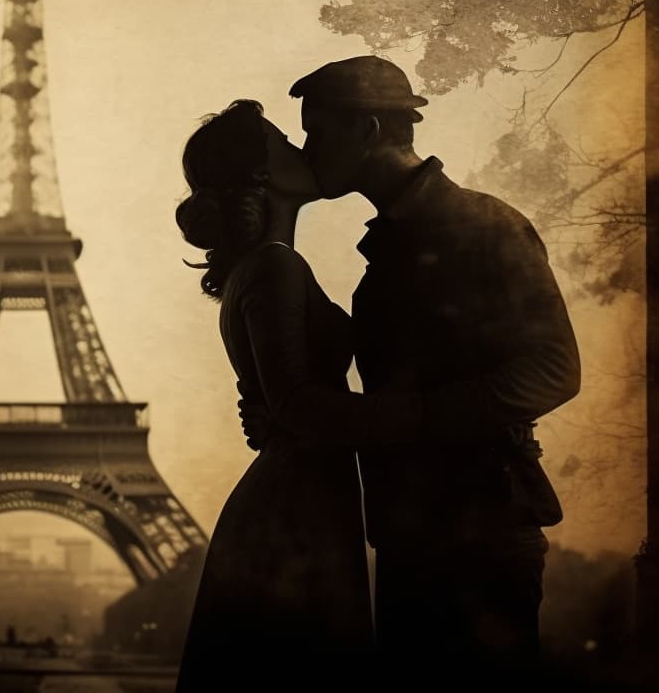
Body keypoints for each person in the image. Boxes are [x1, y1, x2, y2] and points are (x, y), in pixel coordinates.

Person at [240, 56, 581, 685]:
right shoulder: (402, 244)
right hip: (414, 534)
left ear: (367, 130)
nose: (309, 150)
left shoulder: (482, 225)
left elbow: (554, 369)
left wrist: (403, 418)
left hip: (478, 535)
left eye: (317, 133)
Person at [172, 99, 417, 692]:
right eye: (285, 141)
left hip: (299, 492)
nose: (303, 150)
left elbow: (281, 400)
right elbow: (295, 403)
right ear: (262, 173)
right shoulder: (273, 266)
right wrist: (416, 419)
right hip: (298, 505)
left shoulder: (260, 268)